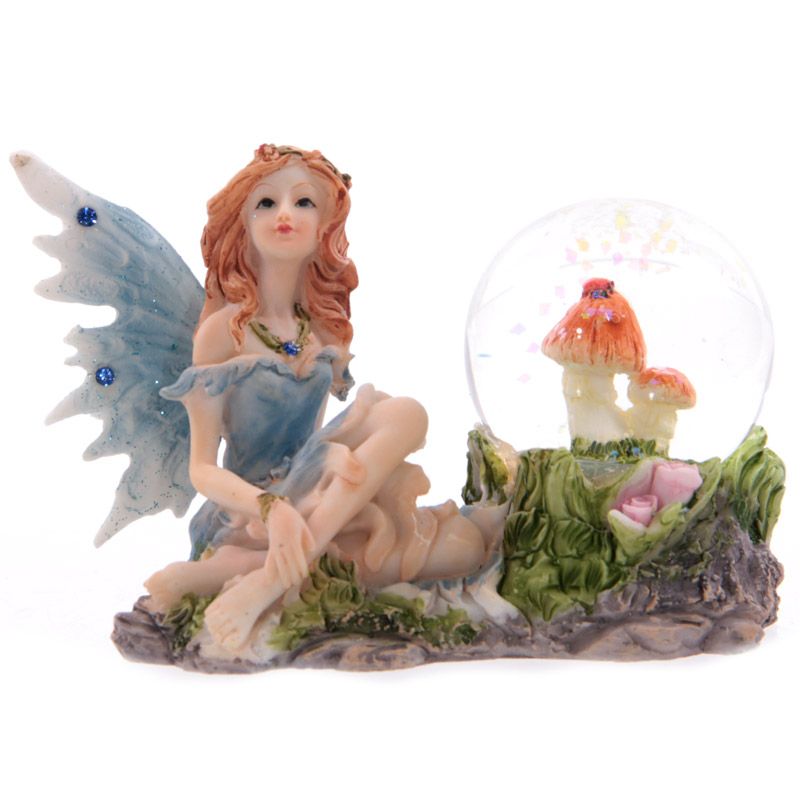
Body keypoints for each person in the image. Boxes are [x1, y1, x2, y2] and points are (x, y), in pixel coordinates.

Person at [145, 145, 487, 651]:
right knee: (445, 547)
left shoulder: (324, 331)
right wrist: (271, 509)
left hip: (315, 490)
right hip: (250, 508)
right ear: (243, 223)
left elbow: (314, 444)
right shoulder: (223, 333)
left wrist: (327, 465)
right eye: (266, 203)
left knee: (409, 420)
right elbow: (202, 470)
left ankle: (263, 578)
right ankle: (247, 562)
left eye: (303, 202)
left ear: (324, 226)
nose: (285, 214)